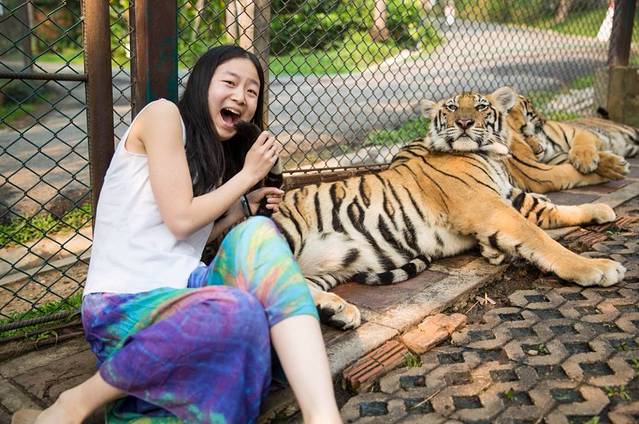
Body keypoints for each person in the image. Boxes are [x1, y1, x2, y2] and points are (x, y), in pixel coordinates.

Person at [11, 45, 342, 424]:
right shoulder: (163, 116)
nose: (241, 96)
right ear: (202, 84)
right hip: (123, 302)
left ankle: (323, 417)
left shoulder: (212, 155)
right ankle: (74, 404)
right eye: (230, 82)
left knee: (259, 236)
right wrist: (248, 175)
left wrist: (243, 208)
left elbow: (185, 238)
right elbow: (181, 219)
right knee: (239, 312)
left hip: (186, 290)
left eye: (252, 91)